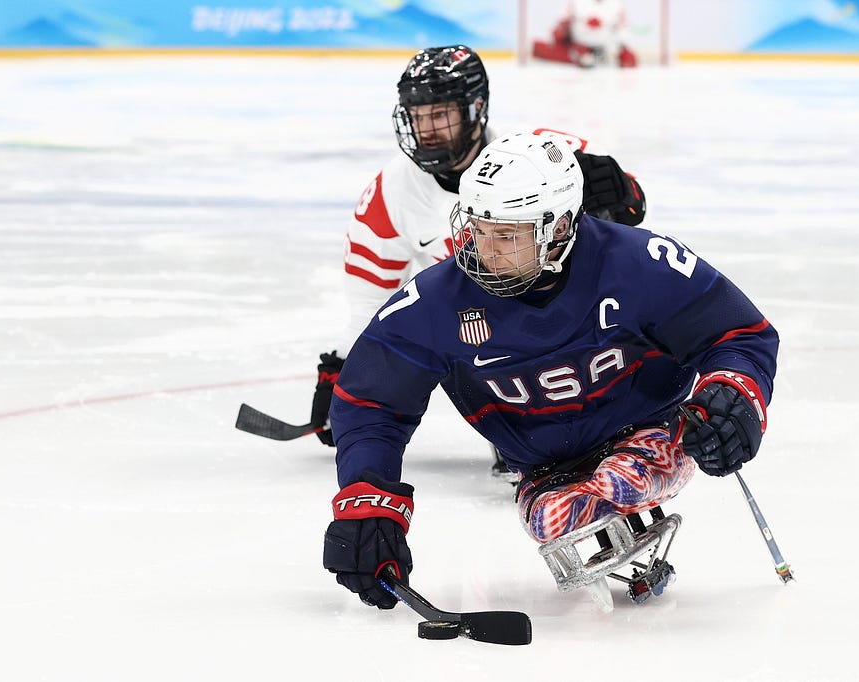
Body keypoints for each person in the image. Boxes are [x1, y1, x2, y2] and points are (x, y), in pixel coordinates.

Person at [322, 130, 778, 609]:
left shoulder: (638, 263)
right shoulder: (435, 301)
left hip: (656, 431)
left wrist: (732, 396)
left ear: (559, 227)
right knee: (552, 518)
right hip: (546, 471)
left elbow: (739, 334)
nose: (481, 249)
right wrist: (367, 499)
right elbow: (371, 403)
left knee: (625, 479)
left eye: (505, 234)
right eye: (476, 228)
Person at [310, 45, 647, 480]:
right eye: (418, 116)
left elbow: (630, 222)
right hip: (481, 334)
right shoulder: (392, 192)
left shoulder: (544, 153)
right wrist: (346, 371)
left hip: (569, 315)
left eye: (440, 114)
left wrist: (623, 197)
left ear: (477, 108)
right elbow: (371, 298)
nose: (427, 129)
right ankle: (519, 426)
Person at [533, 0, 638, 68]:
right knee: (541, 48)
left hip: (605, 47)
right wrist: (562, 31)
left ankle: (597, 57)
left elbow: (622, 28)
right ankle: (584, 57)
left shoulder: (615, 5)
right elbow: (564, 23)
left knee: (629, 59)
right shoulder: (577, 3)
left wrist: (619, 48)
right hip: (580, 46)